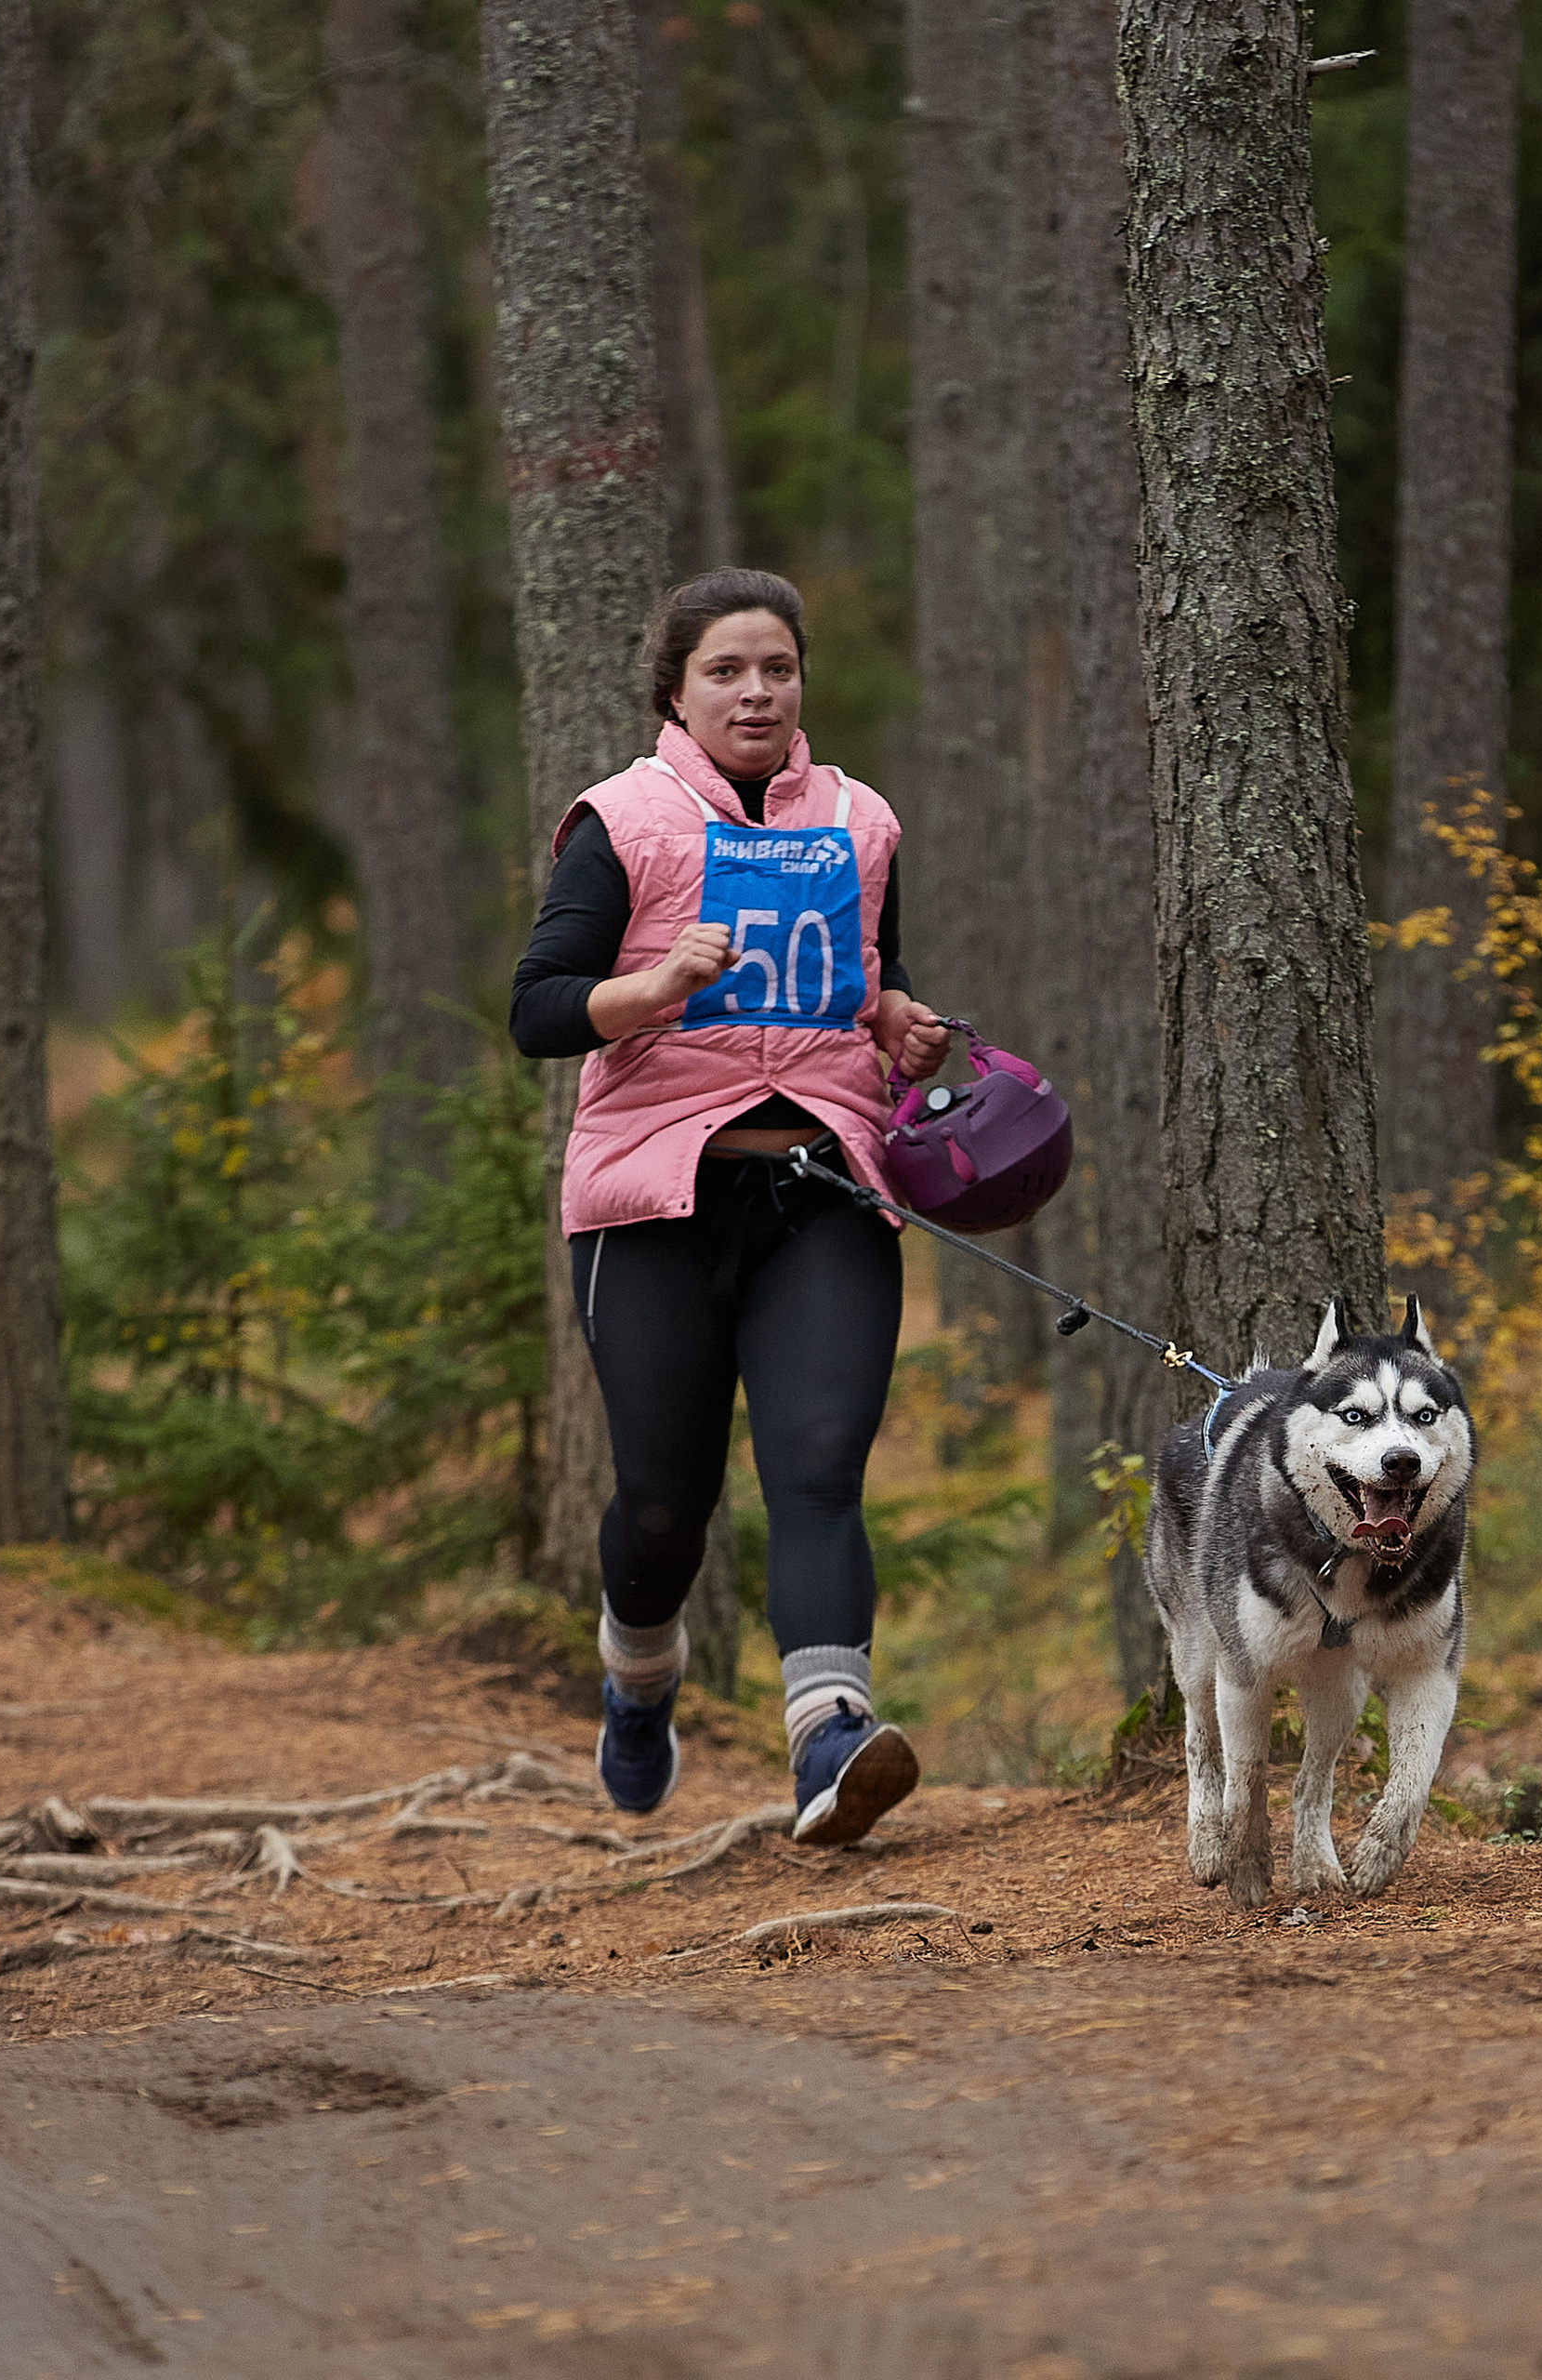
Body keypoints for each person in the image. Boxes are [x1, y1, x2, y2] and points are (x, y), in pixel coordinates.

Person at [509, 568, 949, 1844]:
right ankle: (639, 1679)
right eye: (726, 672)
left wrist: (901, 1023)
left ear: (803, 682)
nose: (755, 690)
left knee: (817, 1470)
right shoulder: (625, 822)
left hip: (820, 1186)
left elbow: (876, 976)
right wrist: (650, 987)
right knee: (663, 1501)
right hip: (655, 1197)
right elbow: (540, 1008)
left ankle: (829, 1742)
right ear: (676, 692)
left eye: (777, 668)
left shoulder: (863, 822)